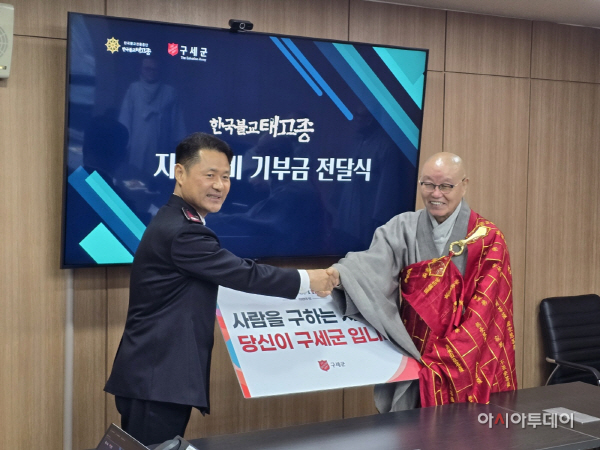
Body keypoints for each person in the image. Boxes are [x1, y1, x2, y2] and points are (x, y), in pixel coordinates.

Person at [104, 132, 337, 446]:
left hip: (154, 377)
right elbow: (244, 274)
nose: (219, 185)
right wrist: (309, 280)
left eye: (226, 176)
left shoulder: (176, 219)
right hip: (157, 379)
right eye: (210, 175)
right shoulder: (183, 232)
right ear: (180, 173)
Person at [329, 152, 517, 412]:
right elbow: (371, 266)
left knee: (466, 427)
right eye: (428, 184)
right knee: (410, 428)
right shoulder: (402, 227)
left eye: (446, 186)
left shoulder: (487, 238)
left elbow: (486, 312)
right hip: (416, 353)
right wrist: (337, 275)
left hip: (466, 356)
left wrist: (447, 357)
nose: (435, 194)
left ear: (464, 185)